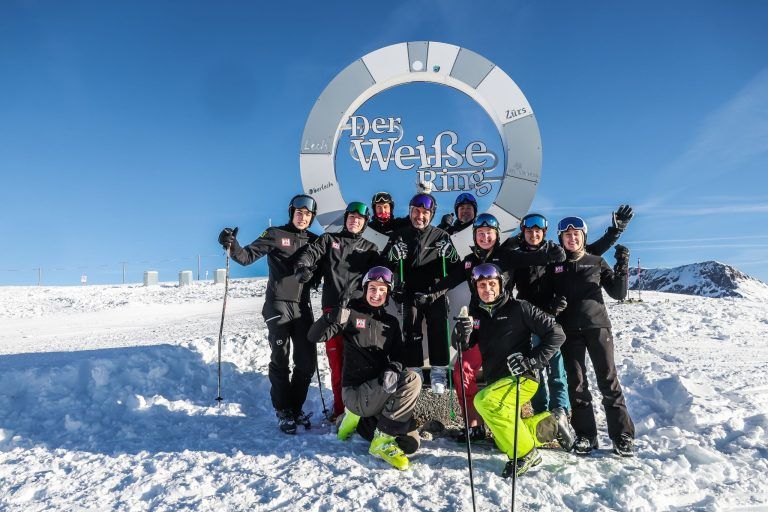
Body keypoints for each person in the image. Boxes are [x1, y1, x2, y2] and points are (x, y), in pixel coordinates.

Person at [418, 213, 565, 441]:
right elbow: (450, 280)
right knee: (461, 371)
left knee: (505, 379)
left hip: (506, 327)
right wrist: (430, 294)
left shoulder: (506, 256)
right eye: (480, 233)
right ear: (475, 236)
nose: (485, 237)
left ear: (496, 236)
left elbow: (531, 259)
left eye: (489, 233)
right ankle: (474, 425)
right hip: (478, 326)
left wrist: (550, 255)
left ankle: (531, 425)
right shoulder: (469, 261)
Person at [452, 263, 575, 477]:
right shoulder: (477, 315)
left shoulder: (520, 307)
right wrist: (459, 335)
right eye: (482, 285)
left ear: (501, 285)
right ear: (475, 288)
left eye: (492, 284)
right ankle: (553, 423)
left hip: (522, 379)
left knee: (483, 401)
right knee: (503, 441)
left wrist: (531, 362)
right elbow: (463, 346)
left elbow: (557, 334)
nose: (487, 289)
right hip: (496, 384)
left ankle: (526, 454)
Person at [217, 194, 320, 435]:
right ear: (291, 212)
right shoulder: (275, 234)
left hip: (303, 308)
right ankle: (283, 410)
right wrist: (231, 243)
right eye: (298, 212)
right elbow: (245, 257)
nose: (302, 217)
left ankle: (295, 408)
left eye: (307, 214)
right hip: (277, 305)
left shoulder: (316, 242)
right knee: (281, 357)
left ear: (312, 217)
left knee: (306, 363)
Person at [308, 266, 422, 470]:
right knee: (412, 379)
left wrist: (394, 368)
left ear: (387, 294)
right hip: (356, 392)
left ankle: (354, 422)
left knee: (410, 444)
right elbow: (314, 337)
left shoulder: (391, 323)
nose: (376, 294)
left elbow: (398, 356)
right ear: (365, 288)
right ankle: (380, 441)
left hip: (378, 391)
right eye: (373, 288)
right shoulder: (350, 313)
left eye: (382, 290)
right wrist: (330, 317)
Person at [550, 216, 635, 456]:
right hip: (568, 331)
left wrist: (622, 265)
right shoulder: (554, 265)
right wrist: (553, 304)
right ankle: (586, 435)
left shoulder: (596, 261)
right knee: (576, 384)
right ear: (561, 239)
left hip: (597, 327)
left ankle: (622, 436)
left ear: (583, 238)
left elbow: (618, 293)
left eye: (576, 234)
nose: (572, 238)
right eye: (567, 235)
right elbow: (545, 294)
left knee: (608, 380)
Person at [294, 201, 383, 420]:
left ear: (364, 223)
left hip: (358, 313)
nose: (355, 221)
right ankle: (340, 411)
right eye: (351, 217)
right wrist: (304, 266)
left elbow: (384, 271)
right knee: (337, 364)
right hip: (332, 311)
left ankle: (361, 412)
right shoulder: (329, 240)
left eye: (360, 219)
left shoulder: (370, 248)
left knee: (360, 363)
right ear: (346, 219)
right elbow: (310, 254)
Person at [384, 192, 460, 394]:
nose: (420, 216)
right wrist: (391, 256)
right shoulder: (400, 235)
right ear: (410, 212)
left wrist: (451, 255)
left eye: (425, 212)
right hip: (409, 292)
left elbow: (455, 268)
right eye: (416, 211)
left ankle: (439, 372)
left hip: (435, 292)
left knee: (438, 329)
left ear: (432, 214)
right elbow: (384, 264)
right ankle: (414, 370)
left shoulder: (441, 235)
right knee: (411, 330)